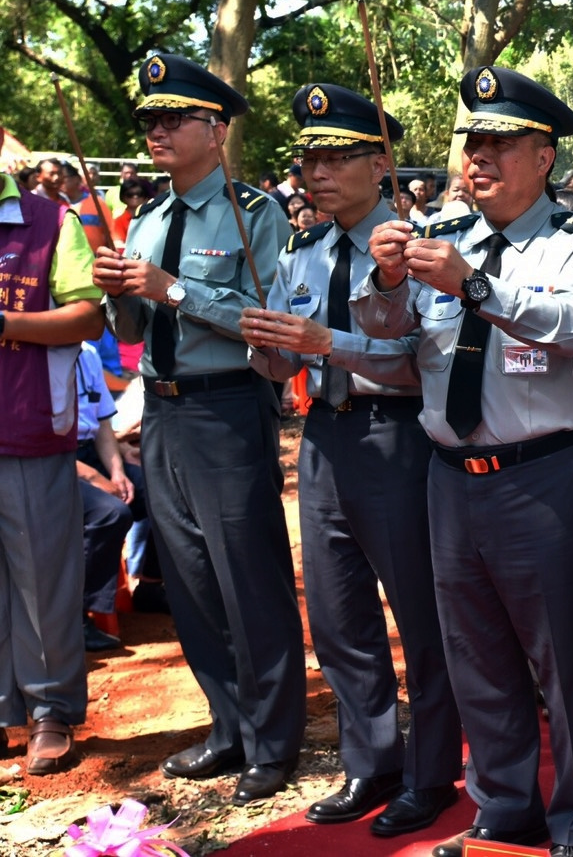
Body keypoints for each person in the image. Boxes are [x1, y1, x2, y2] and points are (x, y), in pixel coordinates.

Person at [356, 65, 573, 857]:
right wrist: (388, 276)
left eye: (501, 142)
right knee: (475, 655)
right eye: (474, 141)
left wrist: (476, 287)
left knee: (562, 661)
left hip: (544, 476)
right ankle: (505, 807)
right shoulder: (445, 240)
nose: (480, 157)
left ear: (544, 156)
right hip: (448, 478)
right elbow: (389, 336)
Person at [240, 84, 462, 836]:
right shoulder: (303, 249)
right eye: (310, 159)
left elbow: (419, 361)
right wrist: (268, 348)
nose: (317, 173)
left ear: (380, 163)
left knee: (419, 616)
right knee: (338, 616)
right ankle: (372, 762)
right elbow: (277, 362)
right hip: (324, 438)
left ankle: (433, 772)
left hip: (395, 438)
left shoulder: (420, 246)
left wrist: (326, 343)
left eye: (336, 157)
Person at [92, 52, 304, 804]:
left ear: (215, 131)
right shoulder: (145, 217)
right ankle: (228, 725)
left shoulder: (255, 214)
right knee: (186, 579)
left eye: (172, 118)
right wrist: (119, 293)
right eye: (148, 120)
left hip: (227, 406)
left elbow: (269, 316)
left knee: (248, 577)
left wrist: (172, 288)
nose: (156, 131)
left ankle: (275, 741)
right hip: (165, 410)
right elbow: (129, 321)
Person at [0, 161, 104, 774]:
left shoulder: (48, 222)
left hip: (27, 422)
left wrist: (6, 323)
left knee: (43, 579)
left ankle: (50, 711)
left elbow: (89, 317)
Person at [73, 340, 134, 653]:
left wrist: (116, 471)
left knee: (159, 489)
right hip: (57, 462)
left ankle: (151, 582)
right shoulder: (37, 356)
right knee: (109, 513)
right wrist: (95, 478)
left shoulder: (88, 353)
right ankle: (78, 617)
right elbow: (40, 441)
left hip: (93, 450)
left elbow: (103, 425)